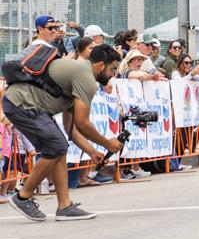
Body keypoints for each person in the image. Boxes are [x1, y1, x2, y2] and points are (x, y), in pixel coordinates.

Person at [2, 44, 125, 222]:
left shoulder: (79, 73)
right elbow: (83, 124)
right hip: (22, 103)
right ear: (100, 66)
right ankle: (23, 197)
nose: (114, 74)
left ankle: (65, 206)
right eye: (113, 69)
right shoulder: (86, 78)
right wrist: (108, 144)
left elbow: (71, 129)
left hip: (25, 104)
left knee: (59, 147)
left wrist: (92, 152)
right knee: (56, 145)